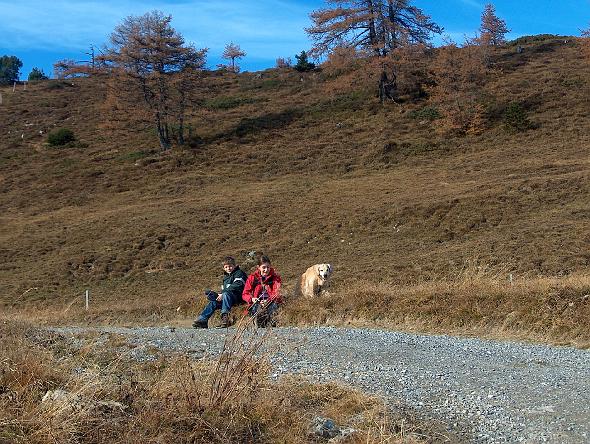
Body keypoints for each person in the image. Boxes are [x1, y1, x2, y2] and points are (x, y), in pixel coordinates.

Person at [193, 256, 248, 329]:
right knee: (214, 302)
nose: (228, 268)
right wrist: (218, 295)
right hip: (228, 299)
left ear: (234, 265)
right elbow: (225, 290)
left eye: (230, 266)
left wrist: (223, 294)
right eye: (226, 267)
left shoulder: (239, 273)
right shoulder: (226, 278)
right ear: (223, 268)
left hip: (238, 298)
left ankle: (225, 317)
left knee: (226, 294)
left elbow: (238, 285)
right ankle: (202, 320)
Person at [242, 255, 282, 327]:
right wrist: (252, 299)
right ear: (258, 267)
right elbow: (245, 294)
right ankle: (261, 323)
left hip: (271, 301)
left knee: (273, 307)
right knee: (257, 309)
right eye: (264, 267)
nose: (266, 270)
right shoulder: (252, 277)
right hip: (256, 302)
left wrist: (268, 300)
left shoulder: (275, 277)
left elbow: (277, 293)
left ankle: (272, 323)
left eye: (268, 267)